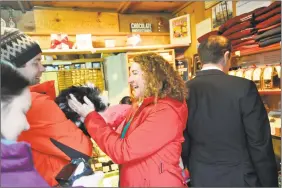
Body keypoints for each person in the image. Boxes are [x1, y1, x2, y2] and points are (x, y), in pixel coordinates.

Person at [68, 52, 188, 187]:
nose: (130, 80)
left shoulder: (165, 112)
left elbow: (123, 151)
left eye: (135, 73)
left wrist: (92, 118)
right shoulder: (143, 106)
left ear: (153, 75)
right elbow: (121, 140)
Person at [0, 27, 93, 186]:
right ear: (13, 68)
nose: (42, 68)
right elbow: (82, 151)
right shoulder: (36, 103)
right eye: (36, 62)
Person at [182, 35, 278, 187]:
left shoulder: (185, 90)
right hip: (239, 178)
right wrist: (269, 183)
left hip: (201, 176)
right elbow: (259, 142)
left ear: (200, 59)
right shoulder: (244, 87)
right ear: (227, 55)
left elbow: (184, 141)